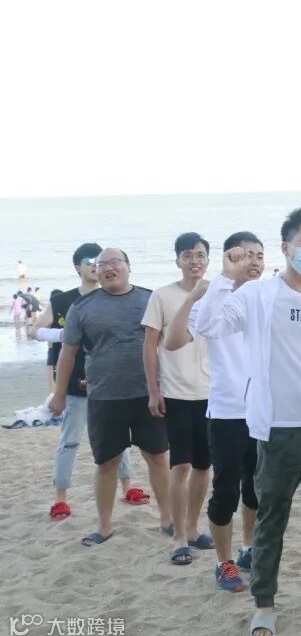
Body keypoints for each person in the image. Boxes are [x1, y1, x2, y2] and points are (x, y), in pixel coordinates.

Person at [195, 208, 301, 636]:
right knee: (271, 519)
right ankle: (264, 602)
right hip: (280, 427)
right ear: (286, 247)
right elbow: (208, 324)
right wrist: (226, 278)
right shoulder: (258, 295)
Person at [49, 248, 172, 546]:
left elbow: (169, 344)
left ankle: (168, 519)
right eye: (101, 264)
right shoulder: (82, 307)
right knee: (107, 462)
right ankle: (104, 526)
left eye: (115, 262)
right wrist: (59, 394)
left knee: (157, 457)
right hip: (104, 397)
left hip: (148, 394)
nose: (108, 268)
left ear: (129, 267)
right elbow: (67, 353)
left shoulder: (150, 299)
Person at [166, 231, 265, 592]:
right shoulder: (216, 298)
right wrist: (215, 284)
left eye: (258, 255)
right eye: (244, 255)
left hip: (262, 411)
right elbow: (177, 339)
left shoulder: (267, 296)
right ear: (229, 259)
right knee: (226, 493)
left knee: (255, 490)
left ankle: (248, 548)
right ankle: (223, 562)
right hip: (226, 413)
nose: (252, 261)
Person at [29, 244, 140, 520]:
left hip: (109, 382)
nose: (95, 265)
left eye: (99, 260)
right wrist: (65, 335)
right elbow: (34, 330)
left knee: (118, 438)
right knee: (70, 440)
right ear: (77, 267)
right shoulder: (64, 301)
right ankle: (61, 498)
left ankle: (128, 487)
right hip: (74, 381)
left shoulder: (115, 296)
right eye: (90, 260)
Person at [142, 232, 214, 565]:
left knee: (203, 466)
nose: (194, 261)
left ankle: (194, 527)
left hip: (212, 393)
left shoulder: (218, 292)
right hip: (175, 392)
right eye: (188, 255)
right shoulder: (162, 296)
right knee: (180, 465)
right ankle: (179, 536)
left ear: (208, 260)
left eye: (200, 255)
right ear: (177, 261)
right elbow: (150, 346)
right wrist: (153, 390)